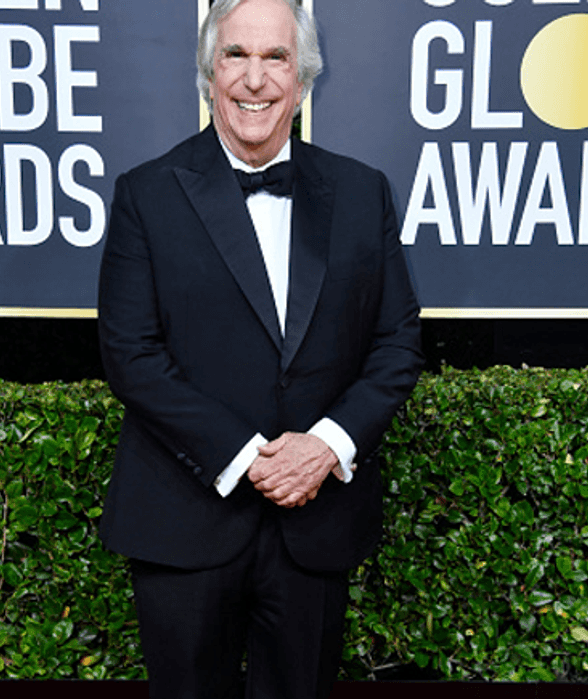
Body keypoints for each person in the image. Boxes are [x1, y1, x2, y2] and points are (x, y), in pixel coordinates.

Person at [96, 0, 423, 696]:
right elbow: (130, 352)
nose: (254, 79)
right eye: (234, 56)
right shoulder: (145, 194)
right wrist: (248, 456)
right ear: (207, 74)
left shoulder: (362, 194)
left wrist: (325, 446)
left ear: (302, 80)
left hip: (315, 528)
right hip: (183, 522)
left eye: (274, 58)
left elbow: (396, 342)